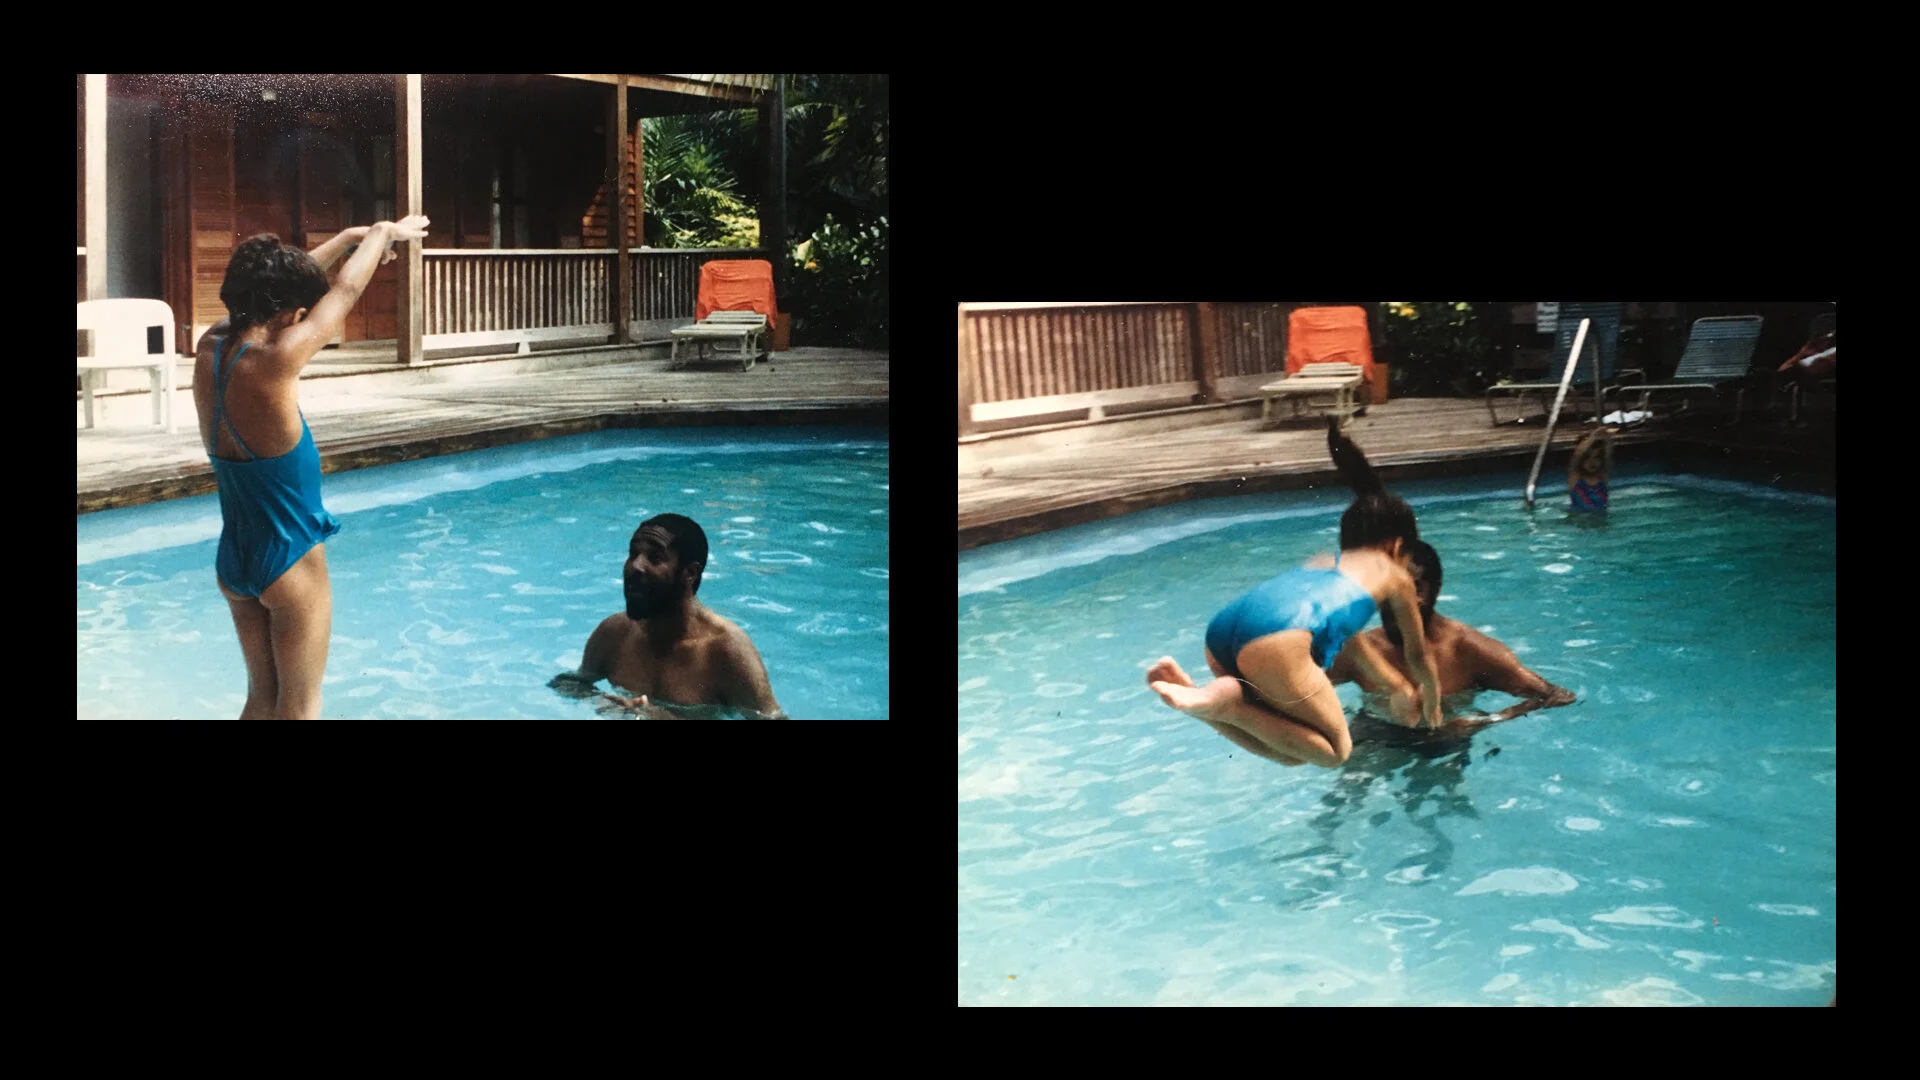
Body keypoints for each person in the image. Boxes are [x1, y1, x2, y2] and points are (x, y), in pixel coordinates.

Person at [195, 217, 429, 719]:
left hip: (234, 558)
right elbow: (345, 289)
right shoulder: (278, 357)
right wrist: (382, 233)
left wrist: (347, 238)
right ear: (292, 314)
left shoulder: (209, 346)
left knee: (261, 698)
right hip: (290, 559)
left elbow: (278, 285)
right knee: (300, 706)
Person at [1146, 417, 1443, 767]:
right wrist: (1432, 701)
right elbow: (1418, 655)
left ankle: (1207, 701)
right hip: (1277, 639)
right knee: (1336, 752)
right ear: (1396, 546)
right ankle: (1226, 705)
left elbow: (1354, 645)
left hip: (1225, 628)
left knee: (1293, 749)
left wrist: (1394, 686)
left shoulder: (1326, 564)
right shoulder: (1395, 575)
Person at [549, 514, 785, 719]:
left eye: (655, 557)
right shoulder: (614, 633)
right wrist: (602, 703)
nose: (635, 566)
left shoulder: (726, 650)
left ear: (689, 573)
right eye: (632, 554)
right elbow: (567, 684)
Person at [1329, 540, 1575, 732]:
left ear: (1425, 592)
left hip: (1446, 740)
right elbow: (1299, 688)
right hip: (1374, 732)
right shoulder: (1362, 651)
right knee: (1341, 797)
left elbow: (1556, 696)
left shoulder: (1469, 651)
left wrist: (1483, 722)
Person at [1568, 426, 1614, 512]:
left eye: (1596, 457)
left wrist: (1607, 438)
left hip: (1601, 523)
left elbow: (1608, 454)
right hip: (1580, 522)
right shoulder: (1575, 478)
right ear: (1581, 460)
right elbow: (1577, 455)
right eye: (1587, 458)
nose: (1591, 462)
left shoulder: (1602, 477)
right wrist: (1593, 436)